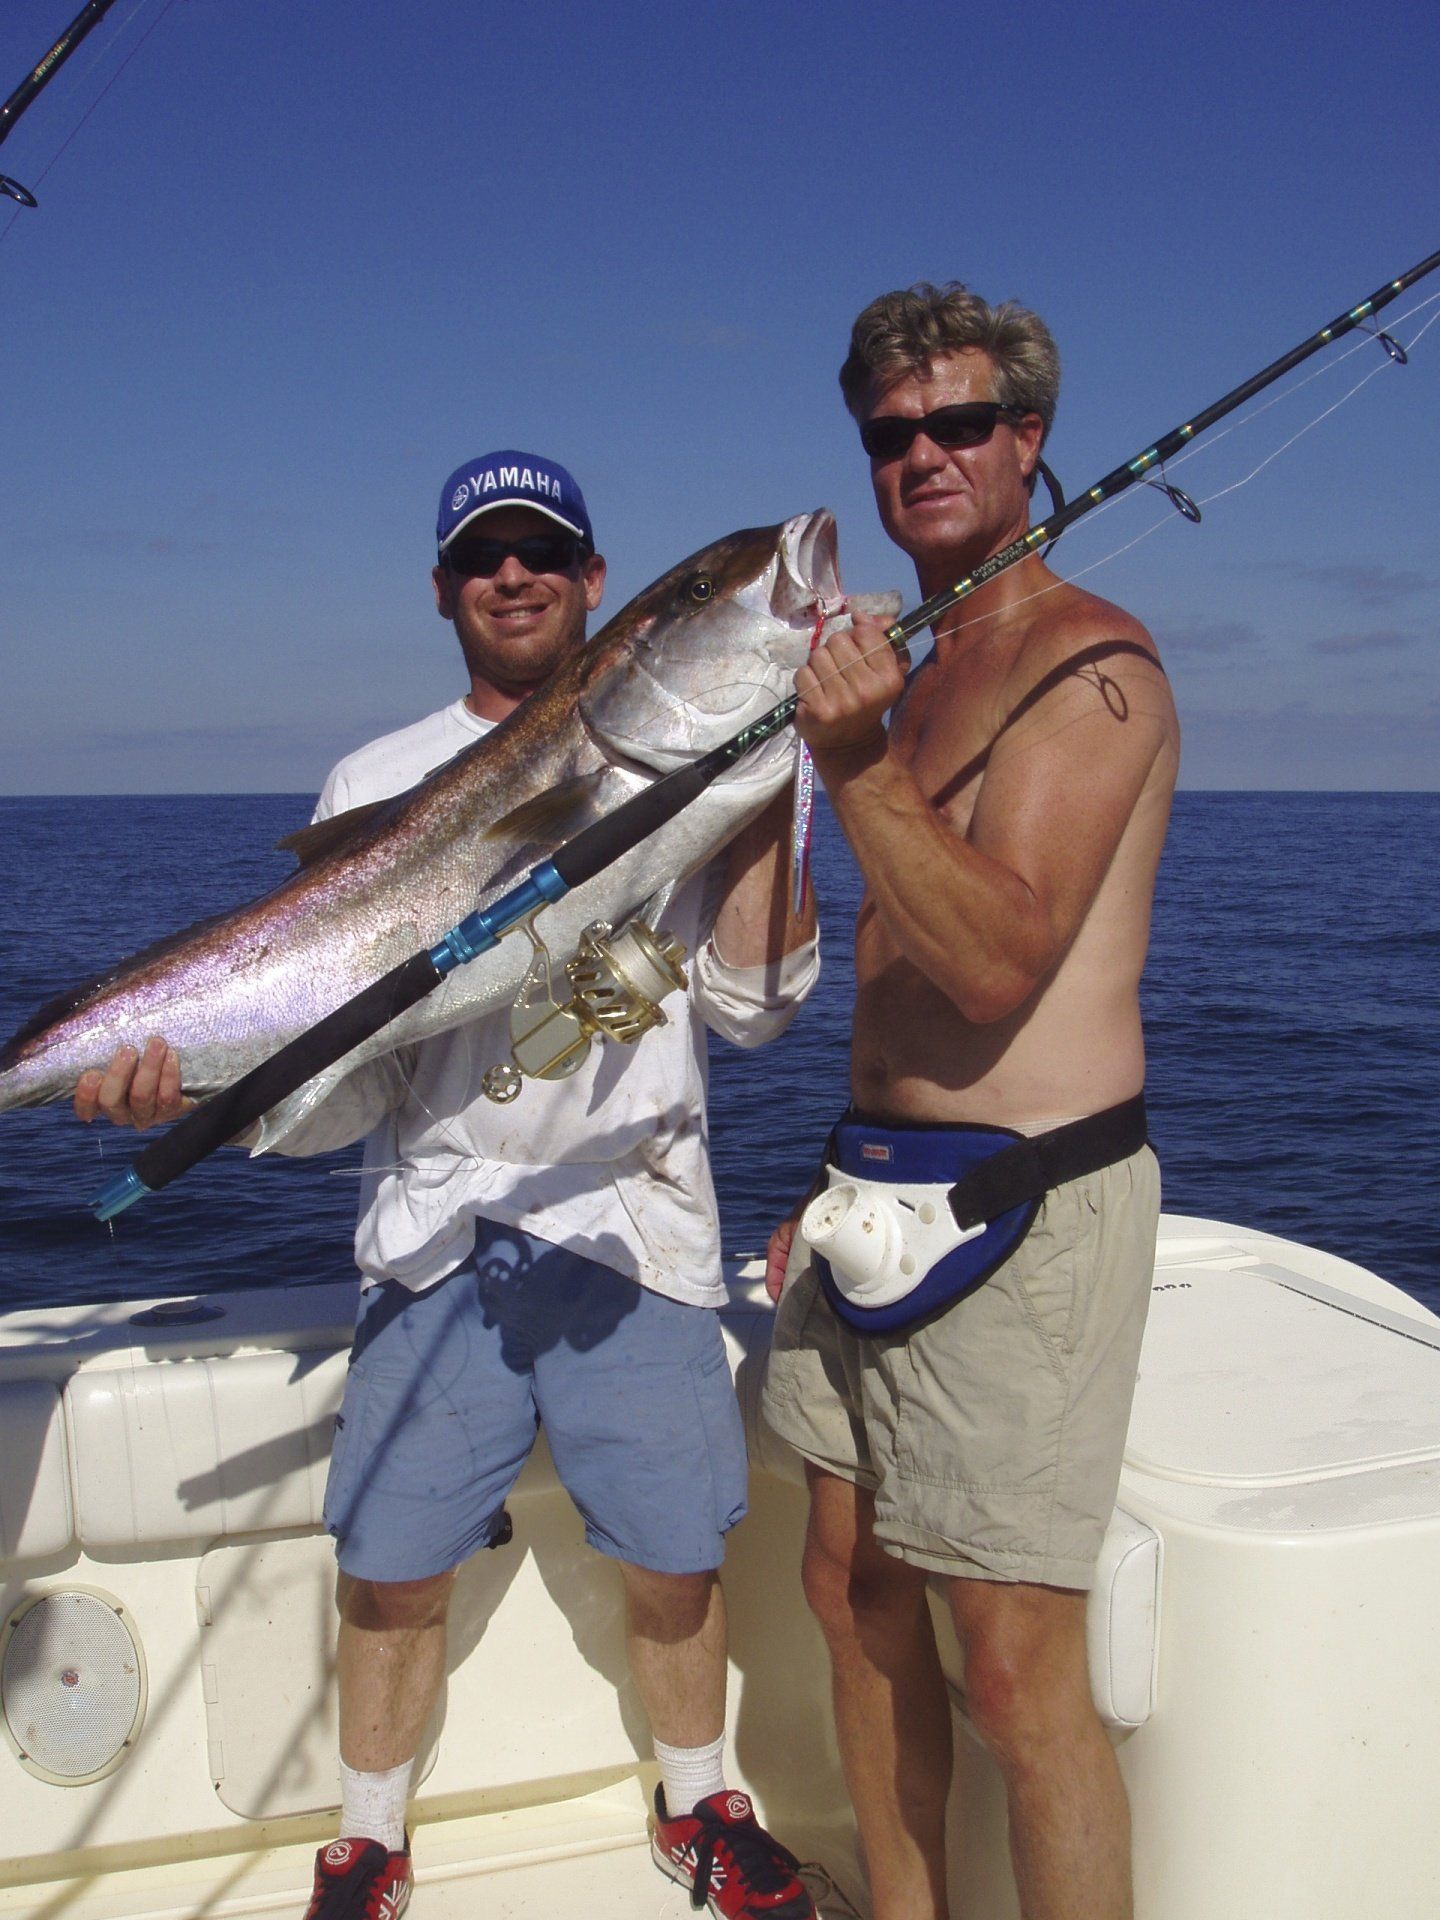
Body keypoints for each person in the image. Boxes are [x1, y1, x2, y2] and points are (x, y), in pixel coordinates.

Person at [77, 450, 823, 1920]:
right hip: (435, 1237)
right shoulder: (374, 779)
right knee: (394, 1568)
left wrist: (763, 796)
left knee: (673, 1557)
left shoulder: (744, 755)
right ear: (443, 591)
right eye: (485, 555)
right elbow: (345, 1081)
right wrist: (210, 1105)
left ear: (602, 592)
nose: (515, 573)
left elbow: (756, 1003)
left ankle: (699, 1803)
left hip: (638, 1227)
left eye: (546, 549)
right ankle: (367, 1838)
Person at [760, 288, 1179, 1920]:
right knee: (851, 1592)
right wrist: (841, 1170)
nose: (920, 454)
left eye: (955, 424)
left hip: (1026, 1210)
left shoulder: (1091, 663)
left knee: (1017, 1675)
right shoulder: (915, 668)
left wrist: (853, 770)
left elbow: (1001, 961)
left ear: (1027, 440)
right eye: (889, 432)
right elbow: (884, 969)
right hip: (870, 1191)